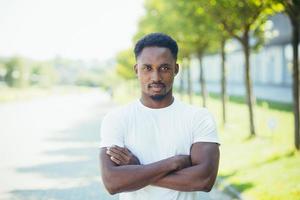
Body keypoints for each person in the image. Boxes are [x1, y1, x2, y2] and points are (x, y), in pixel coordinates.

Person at [99, 33, 220, 200]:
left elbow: (204, 180)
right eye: (147, 68)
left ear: (176, 69)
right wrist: (174, 163)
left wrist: (137, 169)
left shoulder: (199, 117)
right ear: (136, 70)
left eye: (164, 68)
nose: (156, 77)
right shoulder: (116, 119)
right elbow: (112, 182)